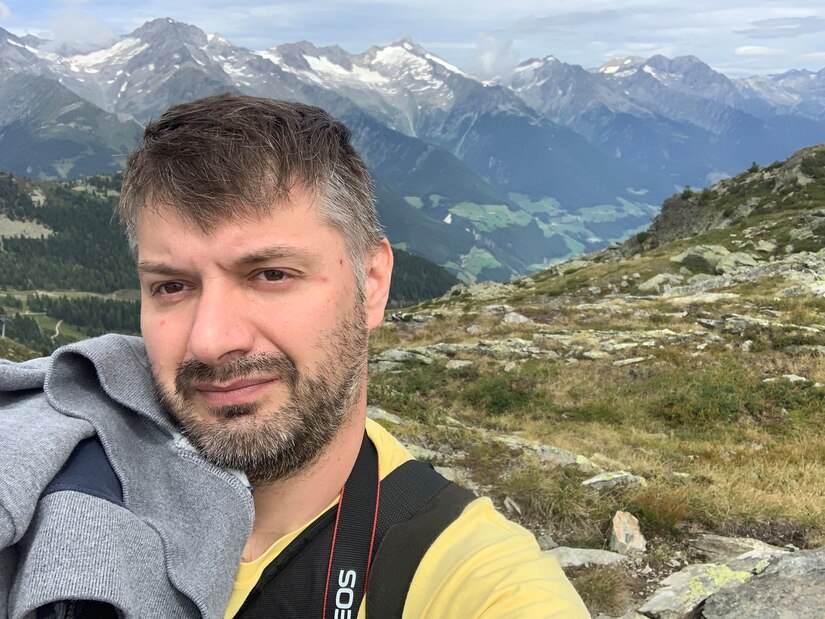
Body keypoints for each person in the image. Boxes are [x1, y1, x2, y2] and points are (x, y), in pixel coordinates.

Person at [0, 93, 589, 618]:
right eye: (171, 286)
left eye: (271, 274)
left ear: (373, 282)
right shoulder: (58, 470)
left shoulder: (472, 579)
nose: (210, 340)